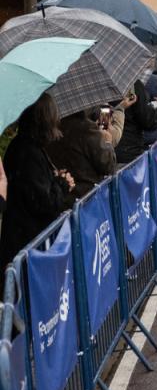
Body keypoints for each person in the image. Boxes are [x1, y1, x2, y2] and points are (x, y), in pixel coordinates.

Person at [1, 94, 76, 268]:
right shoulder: (27, 153)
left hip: (26, 241)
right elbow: (44, 203)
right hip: (28, 246)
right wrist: (62, 185)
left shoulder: (27, 147)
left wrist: (56, 178)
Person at [47, 108, 117, 203]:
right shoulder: (86, 128)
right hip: (88, 199)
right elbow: (108, 165)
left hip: (62, 199)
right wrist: (108, 142)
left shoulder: (51, 129)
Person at [116, 76, 157, 165]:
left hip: (107, 155)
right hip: (129, 154)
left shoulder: (99, 87)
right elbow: (149, 120)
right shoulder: (133, 85)